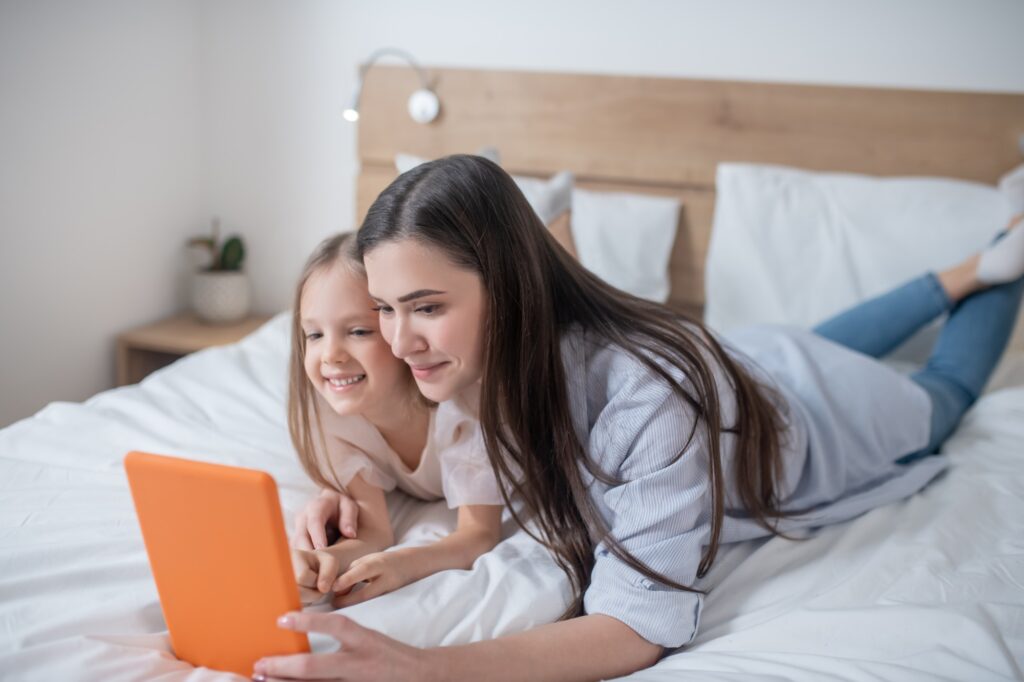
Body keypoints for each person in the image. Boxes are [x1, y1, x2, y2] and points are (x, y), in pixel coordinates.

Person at [254, 156, 1024, 682]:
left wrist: (425, 669)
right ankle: (961, 273)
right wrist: (350, 511)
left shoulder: (647, 394)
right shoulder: (466, 361)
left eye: (425, 308)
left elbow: (636, 627)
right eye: (383, 310)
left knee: (946, 390)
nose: (397, 340)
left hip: (822, 419)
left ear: (512, 286)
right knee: (805, 340)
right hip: (746, 360)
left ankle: (1001, 255)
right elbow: (416, 459)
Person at [286, 232, 505, 608]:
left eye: (358, 331)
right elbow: (373, 532)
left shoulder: (462, 406)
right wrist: (323, 563)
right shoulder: (334, 414)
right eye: (315, 334)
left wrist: (401, 565)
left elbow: (479, 534)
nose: (331, 355)